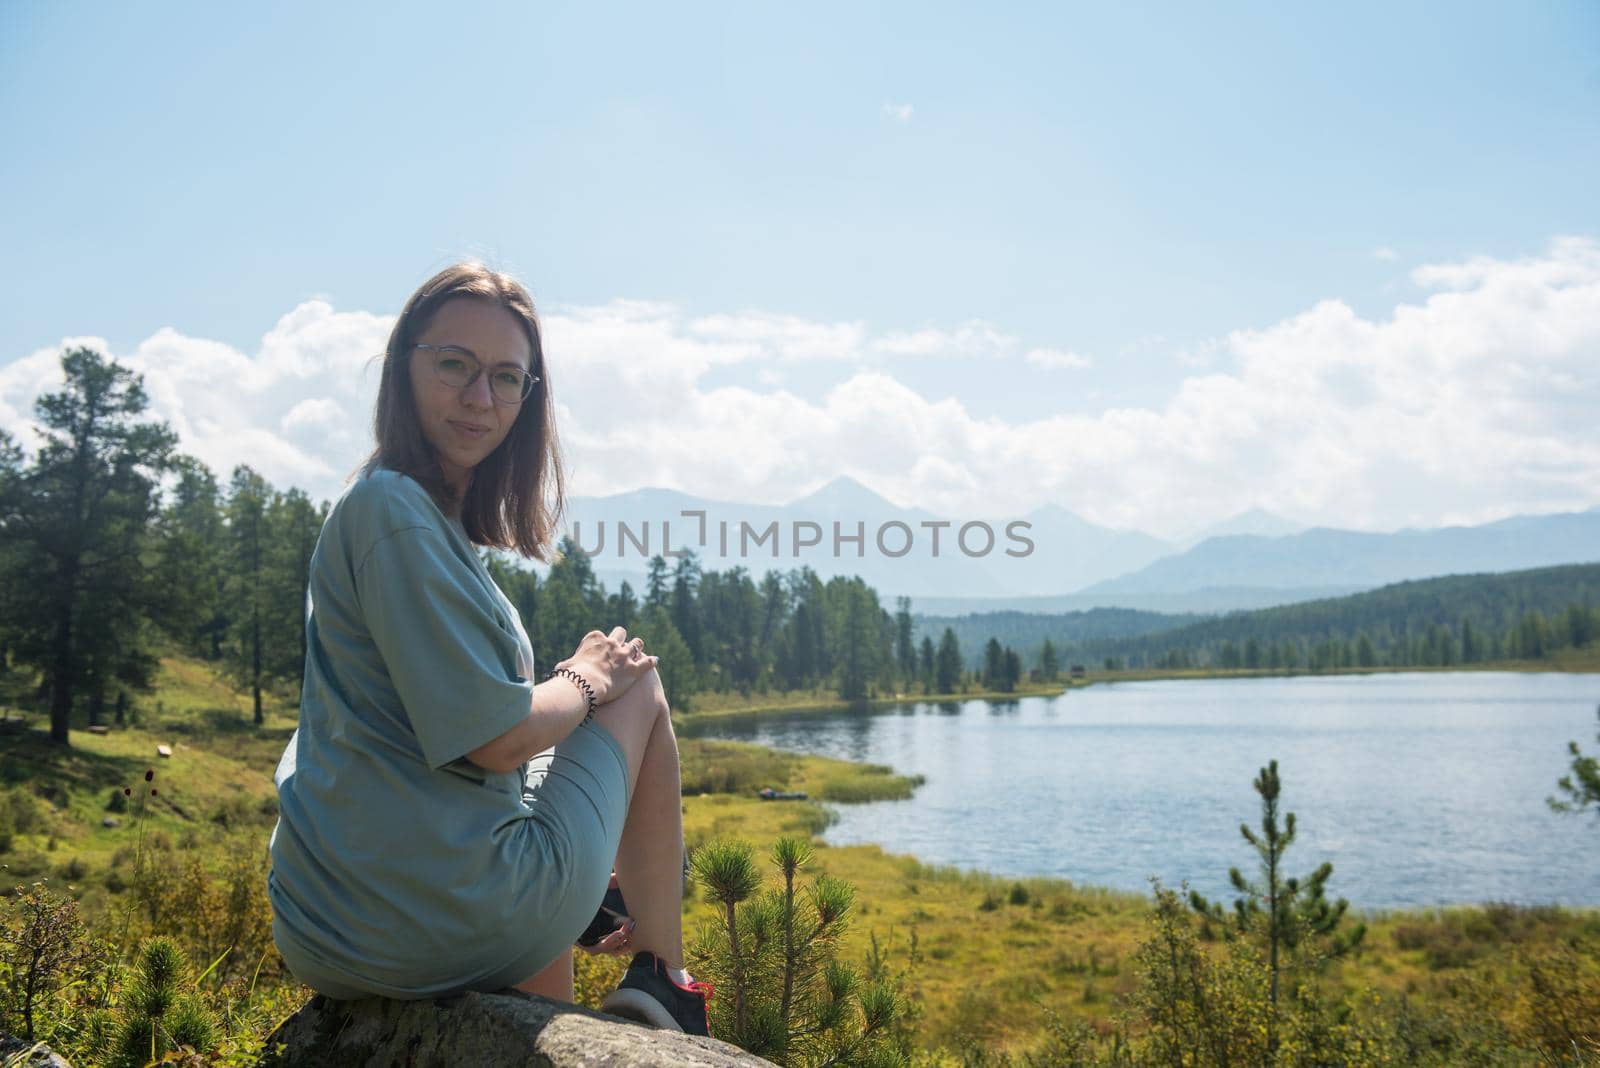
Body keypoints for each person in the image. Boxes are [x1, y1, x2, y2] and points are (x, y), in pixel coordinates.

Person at [266, 262, 712, 1035]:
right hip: (431, 922)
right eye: (455, 367)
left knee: (532, 904)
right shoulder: (395, 513)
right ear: (403, 367)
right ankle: (667, 977)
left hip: (328, 926)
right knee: (635, 683)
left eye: (508, 378)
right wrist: (588, 675)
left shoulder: (398, 513)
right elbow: (499, 740)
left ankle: (563, 955)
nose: (481, 399)